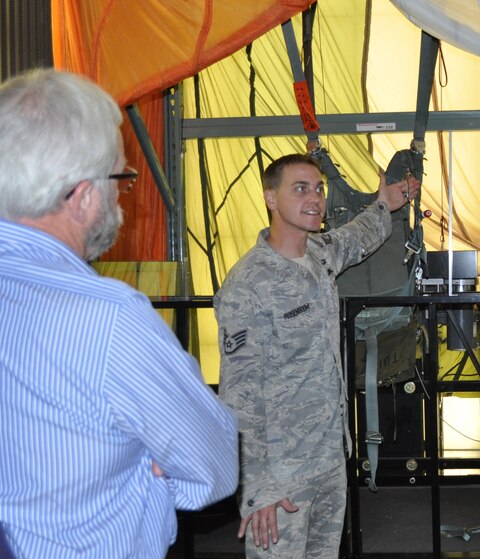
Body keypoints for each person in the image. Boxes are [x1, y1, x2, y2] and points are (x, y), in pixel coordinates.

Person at [0, 69, 239, 558]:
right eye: (120, 178)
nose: (121, 198)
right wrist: (147, 475)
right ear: (84, 196)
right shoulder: (108, 318)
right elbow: (215, 464)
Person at [215, 153, 420, 558]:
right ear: (271, 199)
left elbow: (358, 237)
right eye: (301, 188)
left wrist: (386, 202)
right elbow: (240, 398)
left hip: (329, 459)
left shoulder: (319, 255)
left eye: (319, 189)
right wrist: (258, 488)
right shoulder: (247, 285)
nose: (316, 199)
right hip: (281, 476)